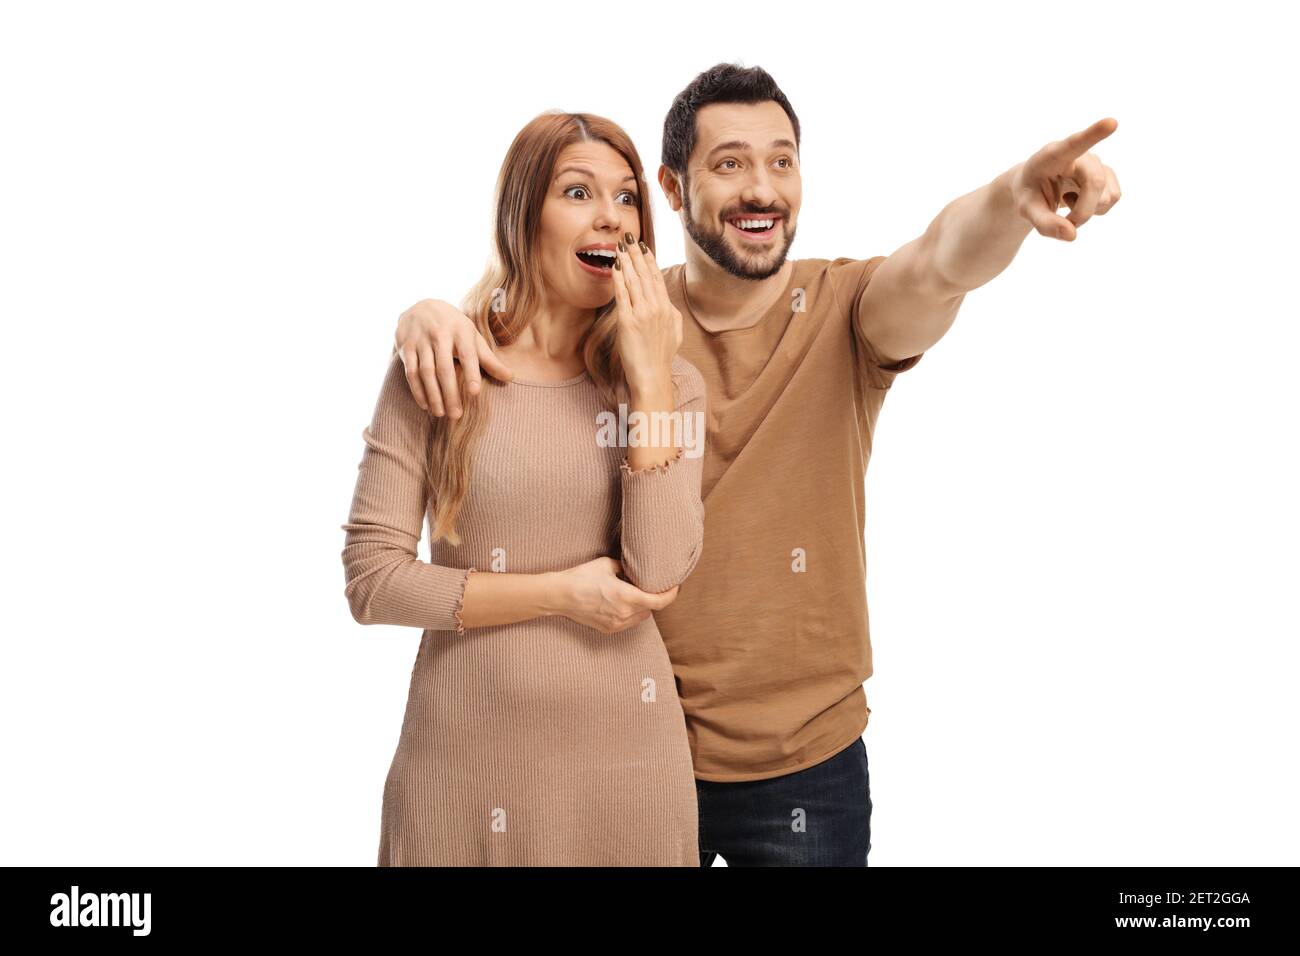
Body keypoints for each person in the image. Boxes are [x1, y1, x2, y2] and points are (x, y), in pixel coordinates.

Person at [391, 64, 1122, 866]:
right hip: (623, 745)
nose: (762, 190)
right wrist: (428, 315)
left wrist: (1015, 196)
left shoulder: (848, 309)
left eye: (782, 161)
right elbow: (521, 334)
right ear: (672, 189)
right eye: (730, 163)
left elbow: (941, 261)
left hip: (803, 766)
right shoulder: (617, 322)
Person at [340, 110, 708, 866]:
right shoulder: (444, 364)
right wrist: (562, 595)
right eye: (578, 192)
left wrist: (647, 381)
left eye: (627, 196)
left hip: (628, 777)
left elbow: (660, 568)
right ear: (521, 214)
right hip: (463, 770)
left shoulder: (672, 389)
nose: (611, 215)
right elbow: (373, 584)